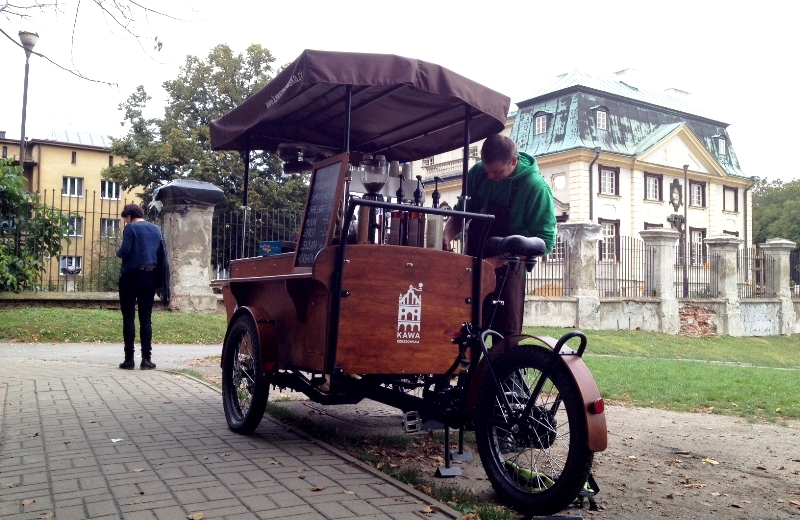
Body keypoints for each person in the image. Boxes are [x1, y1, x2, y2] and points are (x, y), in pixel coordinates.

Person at [443, 134, 556, 338]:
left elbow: (546, 240)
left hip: (509, 271)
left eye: (497, 172)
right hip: (474, 265)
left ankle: (505, 370)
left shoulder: (535, 187)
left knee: (503, 340)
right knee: (465, 332)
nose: (491, 178)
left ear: (514, 161)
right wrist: (446, 235)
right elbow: (461, 212)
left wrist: (497, 261)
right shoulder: (478, 174)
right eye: (487, 172)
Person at [116, 203, 164, 370]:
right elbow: (160, 253)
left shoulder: (131, 229)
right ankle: (146, 360)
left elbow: (124, 251)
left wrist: (117, 251)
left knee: (129, 318)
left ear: (129, 216)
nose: (126, 222)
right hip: (150, 276)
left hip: (131, 276)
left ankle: (129, 360)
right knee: (146, 318)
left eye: (125, 219)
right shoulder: (156, 229)